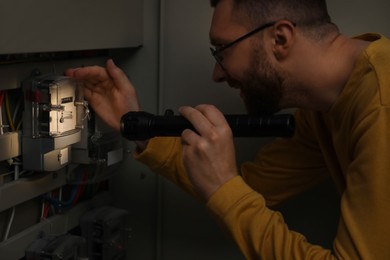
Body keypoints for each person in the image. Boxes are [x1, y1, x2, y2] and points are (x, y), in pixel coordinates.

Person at [66, 0, 390, 258]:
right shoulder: (327, 107)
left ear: (280, 38)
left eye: (222, 49)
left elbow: (228, 189)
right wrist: (139, 125)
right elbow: (246, 187)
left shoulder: (381, 104)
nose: (217, 74)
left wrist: (224, 185)